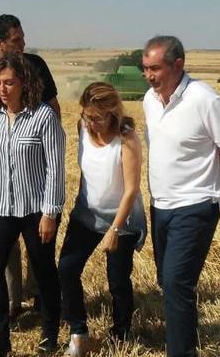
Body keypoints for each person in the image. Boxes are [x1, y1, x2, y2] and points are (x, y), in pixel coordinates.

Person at [142, 35, 220, 357]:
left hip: (197, 204)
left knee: (176, 282)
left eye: (155, 68)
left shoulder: (204, 99)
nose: (149, 75)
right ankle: (185, 337)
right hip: (160, 204)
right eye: (145, 68)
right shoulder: (149, 99)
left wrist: (211, 180)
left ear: (178, 64)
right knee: (168, 280)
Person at [0, 13, 60, 317]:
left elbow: (53, 107)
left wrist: (46, 142)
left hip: (32, 167)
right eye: (16, 39)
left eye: (22, 38)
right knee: (5, 247)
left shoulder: (37, 66)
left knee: (38, 246)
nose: (23, 43)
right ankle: (11, 301)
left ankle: (39, 298)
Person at [0, 54, 66, 356]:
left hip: (35, 210)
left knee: (43, 270)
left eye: (9, 82)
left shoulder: (43, 117)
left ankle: (50, 332)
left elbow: (55, 167)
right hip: (1, 206)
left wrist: (50, 212)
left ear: (24, 83)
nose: (3, 88)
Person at [58, 82, 147, 356]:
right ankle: (78, 331)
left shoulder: (127, 138)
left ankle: (121, 332)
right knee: (67, 269)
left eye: (96, 118)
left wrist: (115, 230)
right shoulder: (81, 128)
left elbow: (132, 188)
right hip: (86, 214)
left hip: (123, 218)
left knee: (117, 280)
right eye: (86, 116)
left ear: (112, 113)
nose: (90, 123)